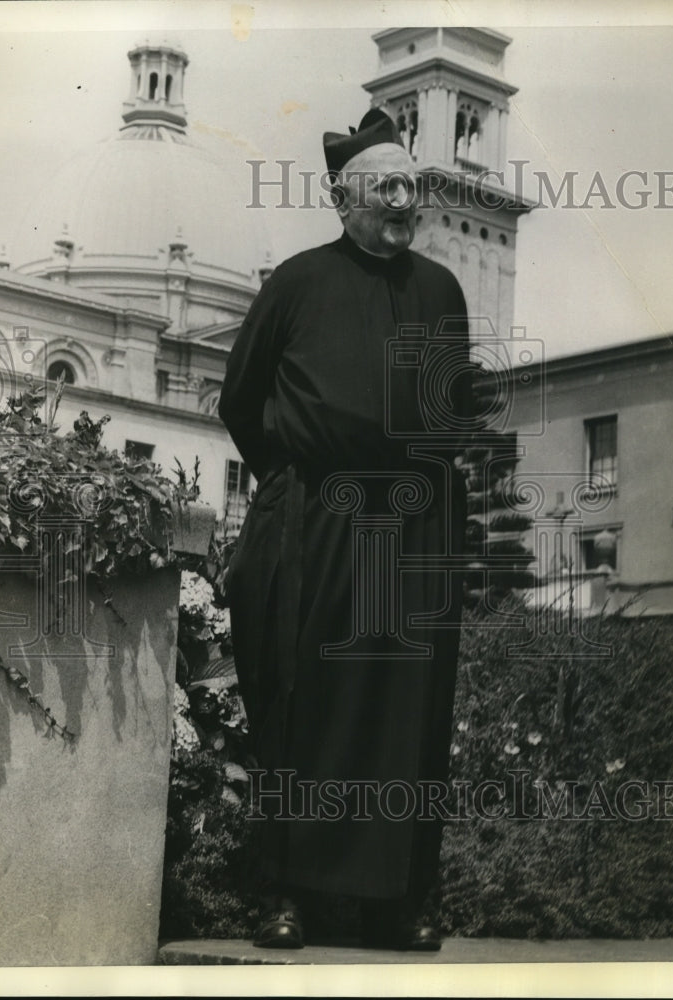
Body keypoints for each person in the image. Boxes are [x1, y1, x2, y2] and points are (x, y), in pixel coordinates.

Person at [219, 109, 471, 951]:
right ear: (343, 199)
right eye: (386, 187)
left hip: (413, 530)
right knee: (306, 701)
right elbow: (240, 402)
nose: (405, 202)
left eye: (411, 186)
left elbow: (450, 410)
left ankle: (402, 903)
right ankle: (286, 895)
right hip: (319, 521)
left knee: (409, 714)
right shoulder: (294, 282)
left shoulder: (441, 291)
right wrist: (297, 482)